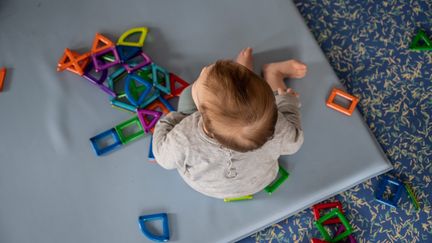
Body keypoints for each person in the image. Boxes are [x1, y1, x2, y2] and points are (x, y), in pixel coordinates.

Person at [152, 47, 306, 199]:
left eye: (201, 77)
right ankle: (273, 74)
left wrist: (169, 120)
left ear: (200, 111)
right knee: (270, 99)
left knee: (186, 94)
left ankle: (246, 74)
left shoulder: (185, 135)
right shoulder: (274, 125)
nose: (204, 68)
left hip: (208, 188)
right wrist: (289, 103)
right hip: (258, 182)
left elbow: (162, 157)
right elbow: (294, 143)